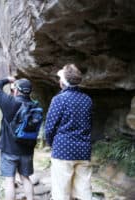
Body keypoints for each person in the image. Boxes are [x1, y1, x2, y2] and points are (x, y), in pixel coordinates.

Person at [45, 64, 93, 200]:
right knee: (84, 192)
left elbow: (50, 127)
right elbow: (89, 125)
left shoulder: (59, 99)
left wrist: (51, 144)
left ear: (63, 82)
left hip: (62, 150)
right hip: (83, 150)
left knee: (61, 193)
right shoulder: (87, 100)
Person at [0, 77, 36, 200]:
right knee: (25, 178)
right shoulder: (33, 106)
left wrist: (7, 79)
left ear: (16, 90)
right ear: (29, 92)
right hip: (27, 150)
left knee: (9, 181)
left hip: (9, 150)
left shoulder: (9, 103)